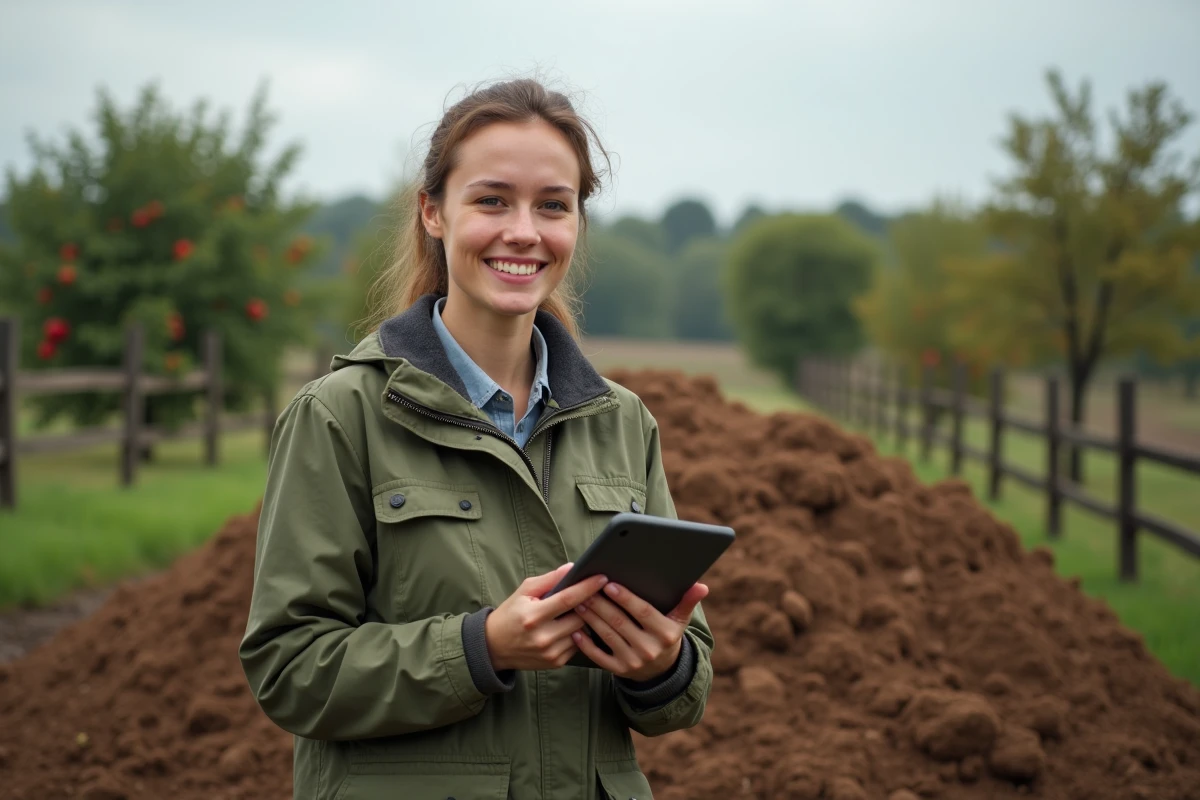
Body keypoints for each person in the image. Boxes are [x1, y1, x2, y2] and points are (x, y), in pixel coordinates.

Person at [238, 78, 714, 800]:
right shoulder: (342, 416)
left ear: (577, 224)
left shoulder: (622, 422)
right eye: (492, 200)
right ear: (433, 212)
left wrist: (661, 666)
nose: (524, 230)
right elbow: (289, 668)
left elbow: (686, 689)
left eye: (552, 205)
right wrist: (479, 648)